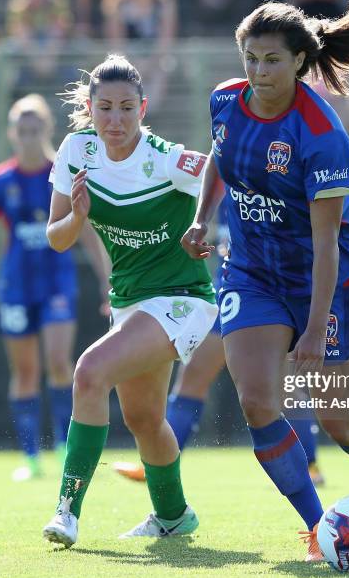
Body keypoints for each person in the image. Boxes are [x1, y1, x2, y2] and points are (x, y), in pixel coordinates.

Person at [181, 0, 349, 562]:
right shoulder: (225, 100)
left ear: (300, 61)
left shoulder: (321, 132)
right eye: (250, 58)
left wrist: (314, 325)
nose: (257, 71)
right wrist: (202, 217)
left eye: (271, 60)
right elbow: (218, 157)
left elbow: (325, 243)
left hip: (324, 275)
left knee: (336, 416)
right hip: (252, 269)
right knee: (257, 400)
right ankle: (319, 528)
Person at [42, 54, 219, 548]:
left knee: (89, 372)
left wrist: (208, 228)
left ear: (143, 108)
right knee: (143, 419)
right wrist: (77, 219)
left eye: (126, 108)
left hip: (183, 299)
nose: (115, 119)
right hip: (131, 301)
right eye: (105, 108)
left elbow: (221, 174)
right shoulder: (77, 151)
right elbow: (56, 237)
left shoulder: (165, 158)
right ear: (90, 109)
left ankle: (67, 509)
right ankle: (173, 516)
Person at [0, 94, 111, 481]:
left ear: (47, 130)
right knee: (24, 370)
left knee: (58, 362)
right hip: (15, 286)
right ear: (11, 134)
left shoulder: (64, 174)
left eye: (36, 129)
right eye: (22, 130)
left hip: (57, 283)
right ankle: (31, 456)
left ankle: (66, 447)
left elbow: (88, 233)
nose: (29, 137)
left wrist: (107, 280)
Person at [114, 202, 327, 486]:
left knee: (285, 385)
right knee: (193, 377)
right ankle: (158, 462)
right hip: (229, 296)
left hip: (268, 297)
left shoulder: (274, 176)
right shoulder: (226, 175)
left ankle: (310, 466)